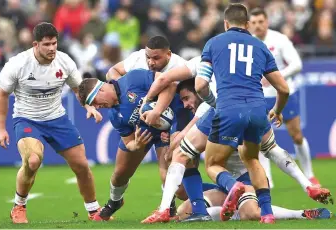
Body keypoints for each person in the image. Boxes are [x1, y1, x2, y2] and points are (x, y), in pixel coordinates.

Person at [141, 66, 333, 224]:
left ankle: (303, 213)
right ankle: (227, 205)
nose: (185, 104)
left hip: (246, 178)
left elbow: (273, 151)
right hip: (225, 182)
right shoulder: (215, 110)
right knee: (184, 211)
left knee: (251, 213)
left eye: (186, 98)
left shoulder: (210, 112)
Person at [0, 22, 102, 224]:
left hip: (57, 118)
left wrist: (88, 106)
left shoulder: (64, 61)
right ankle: (19, 206)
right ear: (35, 44)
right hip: (27, 119)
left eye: (54, 43)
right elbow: (2, 95)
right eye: (47, 44)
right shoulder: (18, 65)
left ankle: (94, 210)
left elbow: (79, 89)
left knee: (81, 164)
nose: (52, 48)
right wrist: (0, 129)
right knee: (33, 160)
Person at [195, 4, 290, 223]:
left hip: (228, 108)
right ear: (247, 25)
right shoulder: (260, 46)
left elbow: (200, 85)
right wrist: (277, 110)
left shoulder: (213, 43)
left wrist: (214, 103)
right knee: (252, 159)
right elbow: (283, 88)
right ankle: (266, 214)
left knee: (212, 164)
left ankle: (232, 185)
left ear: (226, 24)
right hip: (257, 110)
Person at [77, 69, 180, 221]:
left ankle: (169, 209)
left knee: (166, 172)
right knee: (119, 175)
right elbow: (129, 142)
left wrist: (157, 111)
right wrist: (137, 145)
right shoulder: (114, 115)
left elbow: (169, 83)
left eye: (95, 103)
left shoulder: (134, 78)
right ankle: (115, 202)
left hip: (166, 129)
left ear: (100, 90)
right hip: (143, 135)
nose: (98, 107)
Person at [106, 35, 193, 216]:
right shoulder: (137, 59)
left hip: (169, 124)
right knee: (120, 173)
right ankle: (114, 201)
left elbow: (183, 93)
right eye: (149, 57)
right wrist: (121, 89)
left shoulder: (181, 66)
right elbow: (112, 72)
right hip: (139, 125)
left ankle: (173, 206)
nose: (151, 62)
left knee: (172, 179)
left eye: (156, 58)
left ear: (168, 54)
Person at [249, 8, 320, 187]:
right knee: (260, 138)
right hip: (260, 96)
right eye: (254, 22)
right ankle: (267, 179)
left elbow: (297, 64)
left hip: (284, 93)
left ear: (267, 22)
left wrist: (276, 77)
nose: (257, 26)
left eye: (260, 22)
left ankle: (309, 174)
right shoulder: (248, 43)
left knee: (296, 135)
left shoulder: (279, 39)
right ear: (249, 24)